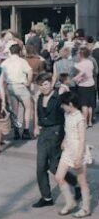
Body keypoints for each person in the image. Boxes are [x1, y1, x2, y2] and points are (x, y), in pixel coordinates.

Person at [32, 73, 80, 208]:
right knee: (40, 166)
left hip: (57, 132)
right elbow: (37, 113)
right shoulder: (40, 97)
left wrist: (66, 137)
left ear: (51, 83)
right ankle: (46, 197)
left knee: (54, 167)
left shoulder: (59, 98)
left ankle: (76, 183)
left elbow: (70, 116)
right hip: (43, 133)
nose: (43, 87)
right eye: (40, 85)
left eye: (45, 84)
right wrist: (36, 126)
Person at [55, 91, 92, 218]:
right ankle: (70, 202)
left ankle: (86, 208)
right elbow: (67, 130)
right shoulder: (67, 114)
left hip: (78, 151)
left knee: (82, 181)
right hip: (68, 150)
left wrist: (79, 156)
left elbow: (82, 139)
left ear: (70, 104)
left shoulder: (80, 118)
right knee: (59, 177)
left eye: (63, 104)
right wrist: (64, 140)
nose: (61, 106)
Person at [1, 44, 33, 140]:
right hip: (21, 85)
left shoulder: (5, 63)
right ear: (19, 52)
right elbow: (30, 71)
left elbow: (2, 77)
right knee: (28, 107)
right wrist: (28, 82)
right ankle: (26, 130)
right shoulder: (22, 61)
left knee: (15, 109)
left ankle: (16, 130)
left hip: (10, 86)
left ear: (10, 51)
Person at [73, 47, 95, 127]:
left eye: (78, 53)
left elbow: (82, 73)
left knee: (84, 105)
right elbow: (90, 72)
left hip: (83, 86)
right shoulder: (90, 62)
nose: (77, 55)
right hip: (91, 84)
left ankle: (85, 122)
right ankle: (90, 121)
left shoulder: (78, 64)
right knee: (90, 105)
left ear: (81, 55)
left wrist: (76, 78)